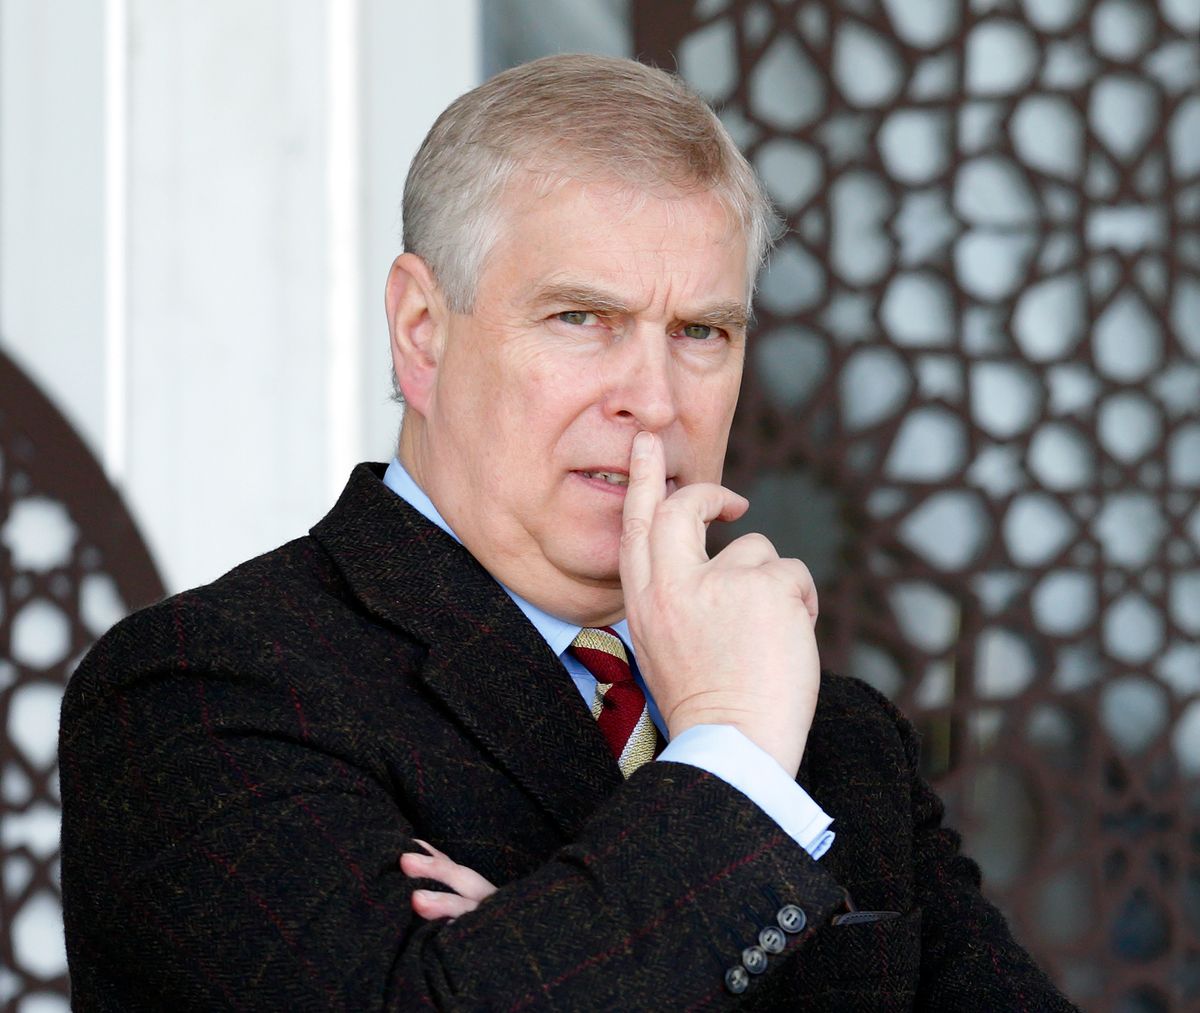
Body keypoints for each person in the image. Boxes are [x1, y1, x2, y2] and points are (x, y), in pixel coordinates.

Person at [59, 54, 1077, 1010]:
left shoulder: (840, 738)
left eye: (701, 332)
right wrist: (733, 766)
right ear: (422, 329)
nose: (653, 398)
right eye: (581, 317)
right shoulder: (200, 688)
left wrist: (534, 946)